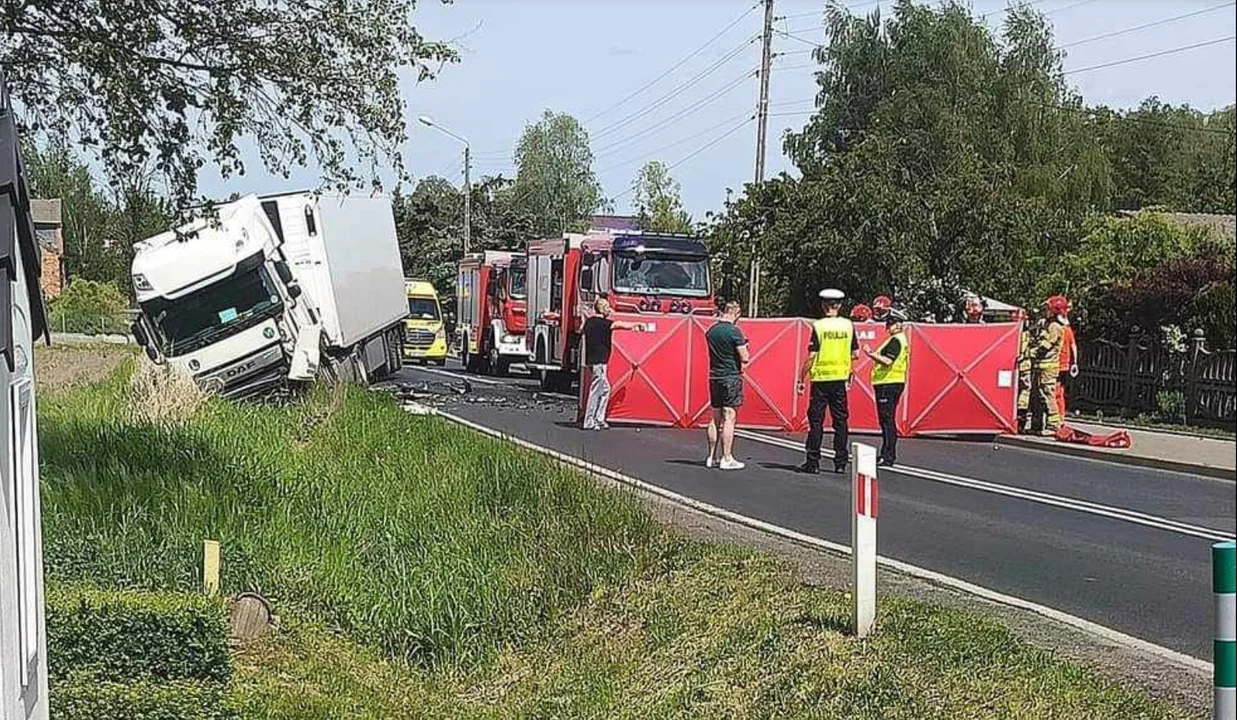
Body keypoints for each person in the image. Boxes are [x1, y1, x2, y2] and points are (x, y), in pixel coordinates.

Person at [797, 289, 860, 474]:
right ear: (839, 306)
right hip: (840, 379)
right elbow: (855, 354)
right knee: (840, 421)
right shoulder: (848, 326)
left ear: (823, 306)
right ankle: (840, 462)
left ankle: (813, 461)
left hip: (821, 380)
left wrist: (801, 378)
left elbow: (811, 356)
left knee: (816, 421)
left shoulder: (819, 326)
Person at [580, 298, 645, 431]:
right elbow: (620, 324)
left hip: (591, 360)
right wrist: (636, 325)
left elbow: (581, 329)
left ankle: (599, 418)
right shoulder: (605, 324)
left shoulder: (589, 322)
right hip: (600, 361)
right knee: (596, 391)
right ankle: (589, 421)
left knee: (605, 389)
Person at [705, 301, 750, 470]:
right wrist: (745, 348)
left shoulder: (711, 331)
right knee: (729, 418)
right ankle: (727, 457)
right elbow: (744, 357)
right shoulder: (734, 331)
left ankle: (711, 456)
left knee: (715, 417)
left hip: (714, 376)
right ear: (736, 313)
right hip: (730, 376)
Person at [865, 309, 909, 467]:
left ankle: (888, 454)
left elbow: (887, 361)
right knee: (886, 419)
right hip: (892, 381)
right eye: (888, 324)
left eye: (891, 324)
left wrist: (870, 353)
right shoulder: (897, 339)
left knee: (887, 420)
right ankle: (886, 452)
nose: (888, 327)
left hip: (888, 382)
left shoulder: (896, 340)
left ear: (899, 324)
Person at [1030, 295, 1067, 433]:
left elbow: (1046, 345)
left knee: (1047, 394)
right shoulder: (1045, 323)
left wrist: (1032, 353)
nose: (1045, 310)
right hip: (1039, 367)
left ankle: (1053, 425)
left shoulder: (1055, 327)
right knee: (1035, 396)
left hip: (1048, 367)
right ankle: (1036, 424)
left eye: (1047, 308)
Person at [1055, 300, 1079, 420]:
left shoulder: (1059, 329)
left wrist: (1074, 362)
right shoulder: (1067, 329)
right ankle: (1060, 417)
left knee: (1055, 392)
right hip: (1063, 365)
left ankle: (1058, 418)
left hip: (1056, 364)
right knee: (1059, 392)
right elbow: (1074, 346)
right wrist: (1075, 363)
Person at [1013, 308, 1033, 433]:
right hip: (1016, 366)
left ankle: (1021, 420)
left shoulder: (1026, 334)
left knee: (1023, 394)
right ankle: (1017, 421)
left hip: (1023, 366)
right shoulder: (1017, 332)